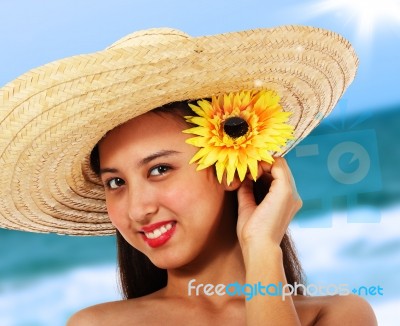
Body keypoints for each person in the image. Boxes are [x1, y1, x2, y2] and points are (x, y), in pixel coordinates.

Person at [0, 26, 377, 325]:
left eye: (160, 169)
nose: (137, 209)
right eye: (116, 182)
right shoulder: (97, 324)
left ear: (233, 166)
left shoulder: (338, 315)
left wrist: (262, 248)